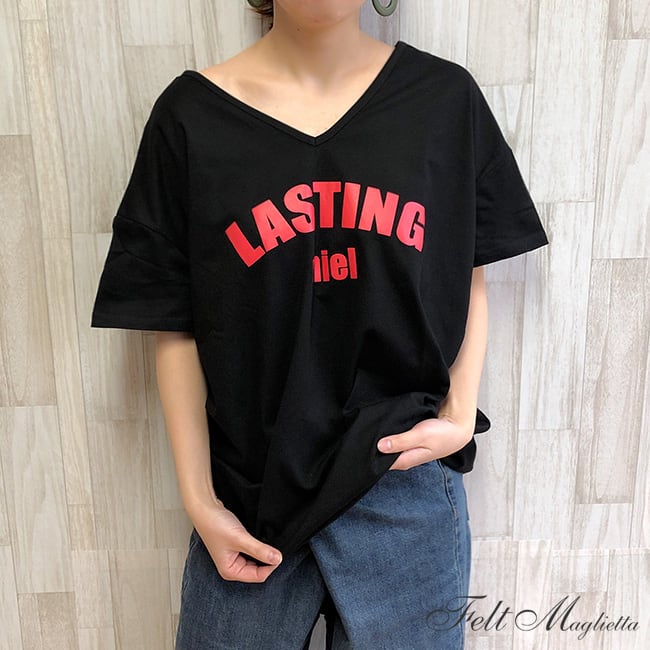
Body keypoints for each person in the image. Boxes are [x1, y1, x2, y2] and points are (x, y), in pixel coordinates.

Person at [90, 0, 549, 647]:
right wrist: (200, 499)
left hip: (400, 477)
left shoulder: (443, 101)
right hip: (252, 498)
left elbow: (468, 256)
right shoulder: (190, 118)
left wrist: (458, 415)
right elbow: (173, 317)